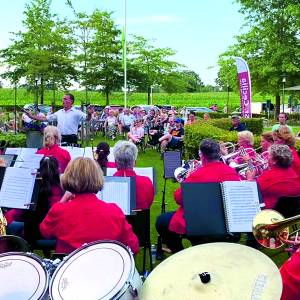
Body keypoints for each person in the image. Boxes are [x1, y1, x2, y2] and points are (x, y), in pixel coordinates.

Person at [40, 157, 139, 254]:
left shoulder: (60, 210)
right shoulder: (114, 211)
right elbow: (133, 246)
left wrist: (63, 200)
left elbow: (45, 231)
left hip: (69, 267)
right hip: (105, 267)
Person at [156, 139, 240, 253]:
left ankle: (179, 253)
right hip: (227, 222)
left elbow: (179, 198)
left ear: (203, 156)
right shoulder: (231, 171)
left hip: (201, 223)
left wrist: (185, 181)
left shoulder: (196, 175)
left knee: (162, 221)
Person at [246, 144, 300, 209]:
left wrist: (250, 179)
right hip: (291, 215)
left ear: (274, 161)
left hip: (268, 215)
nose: (267, 158)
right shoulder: (294, 174)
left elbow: (250, 194)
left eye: (269, 155)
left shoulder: (267, 177)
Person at [26, 93, 94, 144]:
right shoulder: (59, 112)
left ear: (71, 101)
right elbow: (45, 118)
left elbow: (87, 119)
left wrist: (89, 113)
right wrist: (32, 116)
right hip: (59, 138)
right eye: (63, 99)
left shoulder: (77, 112)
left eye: (65, 99)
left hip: (72, 138)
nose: (63, 100)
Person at [113, 141, 154, 210]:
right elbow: (148, 204)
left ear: (115, 162)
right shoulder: (146, 182)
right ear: (134, 162)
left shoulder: (109, 183)